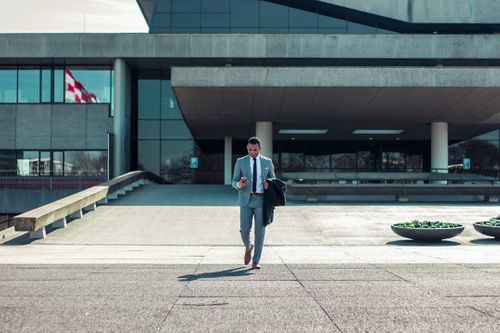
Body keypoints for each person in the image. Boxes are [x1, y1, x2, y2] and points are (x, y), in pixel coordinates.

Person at [232, 137, 276, 269]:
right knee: (244, 230)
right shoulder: (240, 162)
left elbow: (274, 179)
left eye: (255, 150)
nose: (252, 152)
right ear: (247, 148)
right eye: (250, 150)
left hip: (261, 200)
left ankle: (256, 260)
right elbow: (233, 181)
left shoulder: (268, 162)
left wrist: (269, 185)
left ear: (260, 148)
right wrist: (239, 184)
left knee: (260, 231)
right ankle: (248, 246)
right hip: (245, 199)